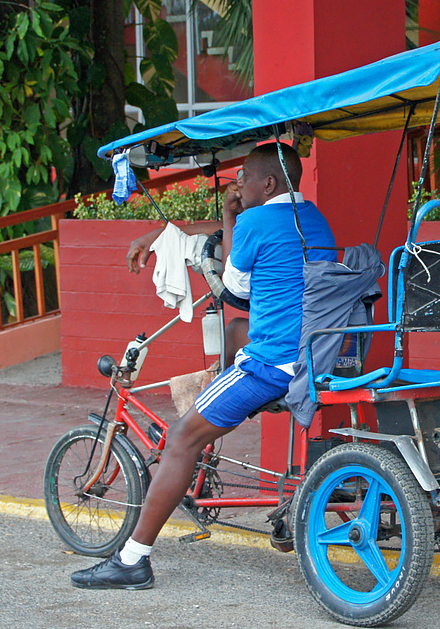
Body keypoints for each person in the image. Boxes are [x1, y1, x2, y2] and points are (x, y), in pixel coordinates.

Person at [70, 142, 337, 590]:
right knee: (234, 333)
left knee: (178, 439)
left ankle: (133, 559)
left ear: (267, 183)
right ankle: (217, 418)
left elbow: (235, 283)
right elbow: (261, 251)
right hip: (315, 351)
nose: (237, 183)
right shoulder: (313, 217)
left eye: (244, 177)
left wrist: (232, 218)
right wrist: (174, 231)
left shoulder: (251, 221)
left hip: (272, 365)